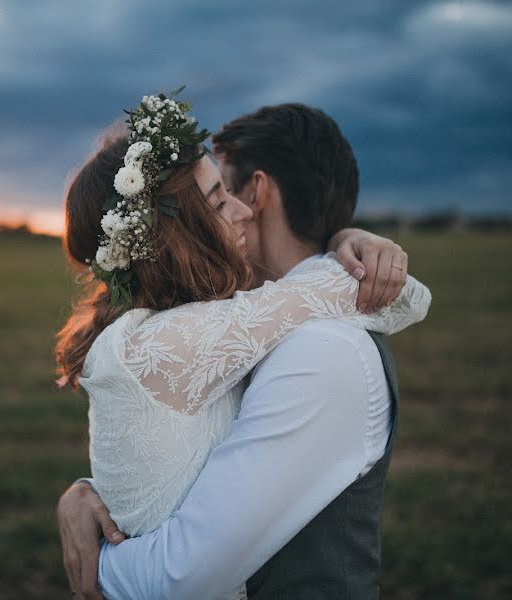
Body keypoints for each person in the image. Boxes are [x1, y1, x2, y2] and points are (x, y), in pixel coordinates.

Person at [56, 96, 431, 599]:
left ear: (257, 193)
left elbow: (179, 576)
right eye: (214, 201)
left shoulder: (322, 351)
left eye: (225, 190)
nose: (231, 211)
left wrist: (100, 559)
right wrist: (87, 494)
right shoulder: (207, 329)